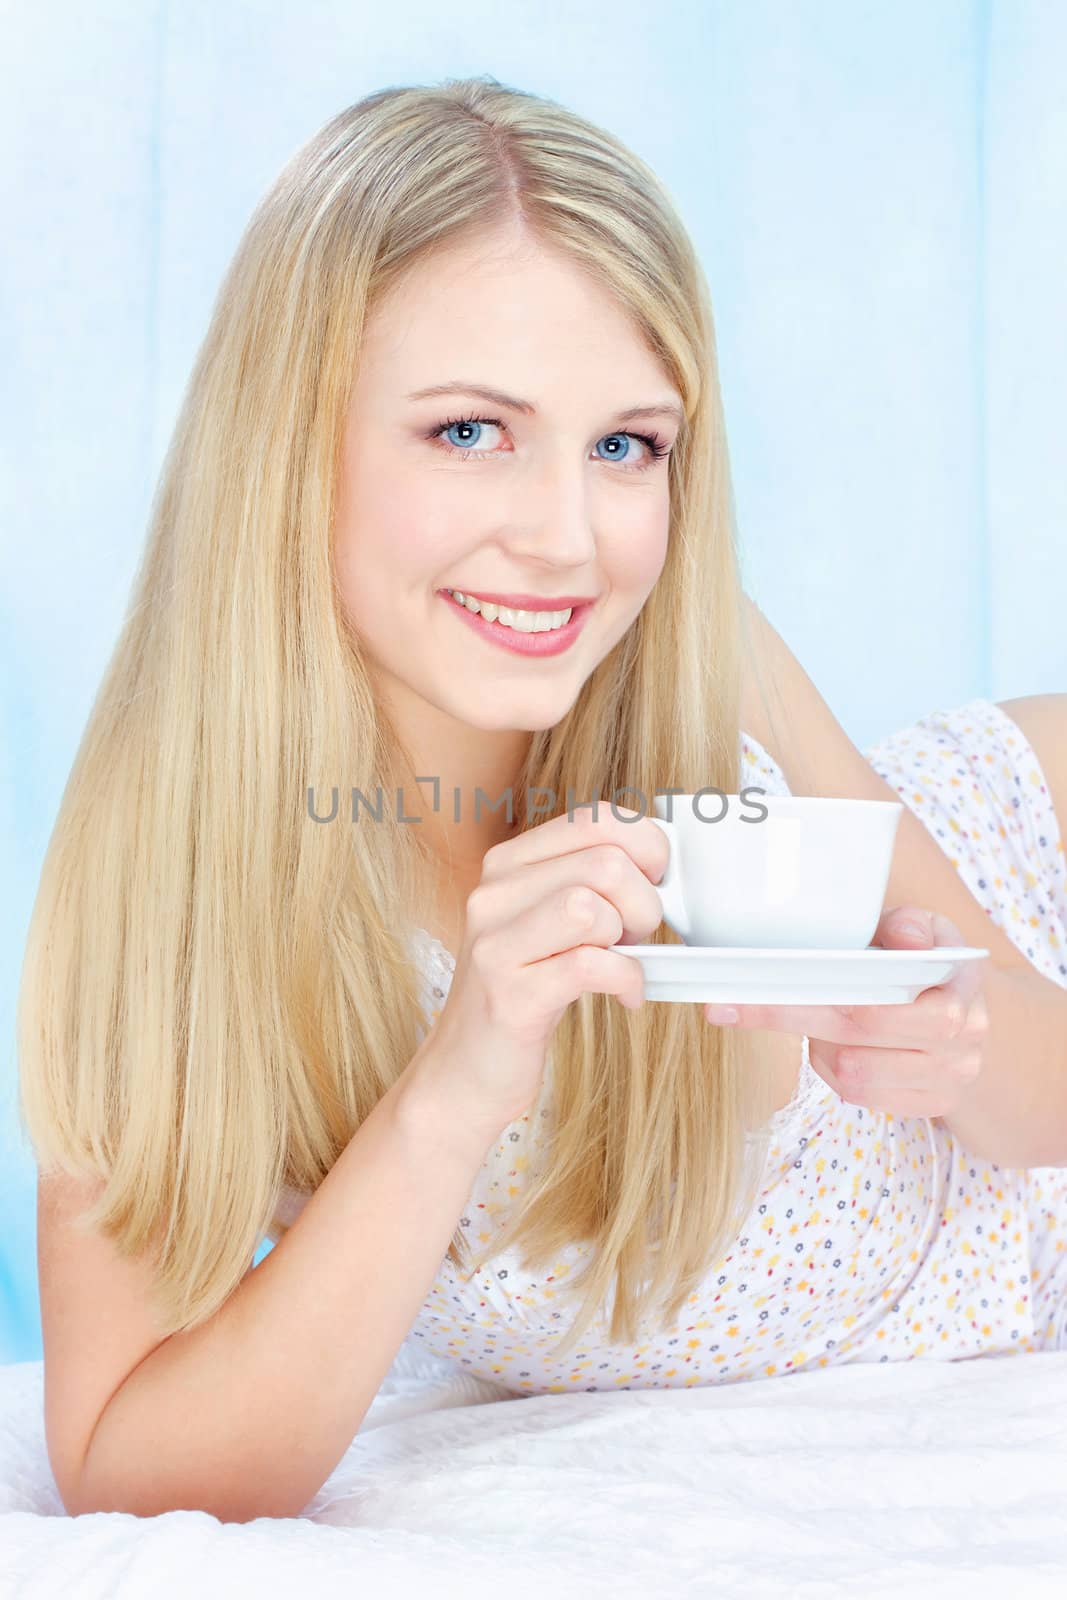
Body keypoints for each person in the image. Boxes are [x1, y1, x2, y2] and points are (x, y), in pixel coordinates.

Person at [20, 75, 1067, 1525]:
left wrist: (952, 1051)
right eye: (467, 432)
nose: (566, 541)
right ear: (288, 442)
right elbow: (130, 1468)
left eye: (626, 445)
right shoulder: (183, 905)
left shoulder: (712, 659)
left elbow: (1040, 1089)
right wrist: (451, 1093)